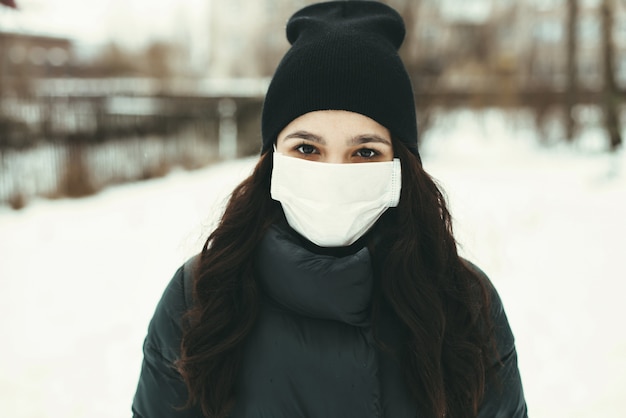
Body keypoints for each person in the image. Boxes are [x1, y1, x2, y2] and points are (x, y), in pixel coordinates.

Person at [132, 1, 528, 417]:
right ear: (271, 161)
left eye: (365, 151)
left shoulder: (462, 303)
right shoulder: (201, 298)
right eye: (306, 148)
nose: (334, 173)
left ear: (400, 166)